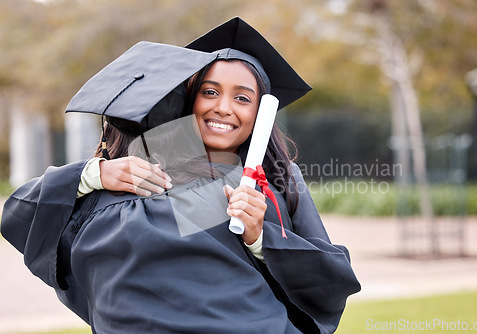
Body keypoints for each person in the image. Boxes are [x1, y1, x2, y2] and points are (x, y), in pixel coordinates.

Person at [1, 18, 360, 333]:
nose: (223, 107)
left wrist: (259, 239)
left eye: (243, 98)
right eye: (210, 92)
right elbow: (21, 214)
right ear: (191, 99)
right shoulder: (148, 162)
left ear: (260, 112)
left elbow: (331, 277)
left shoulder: (279, 179)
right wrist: (94, 174)